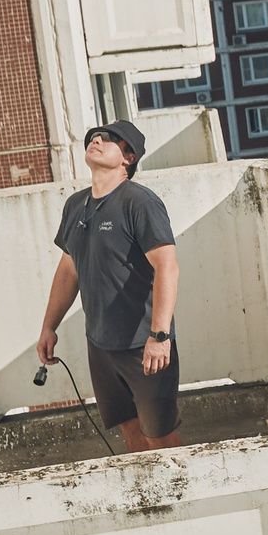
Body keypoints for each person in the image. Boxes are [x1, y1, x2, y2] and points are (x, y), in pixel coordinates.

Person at [37, 120, 182, 451]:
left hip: (142, 344)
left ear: (128, 157)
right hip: (100, 345)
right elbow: (68, 271)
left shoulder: (139, 203)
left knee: (160, 436)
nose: (97, 140)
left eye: (110, 139)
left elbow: (168, 268)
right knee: (130, 430)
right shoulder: (76, 205)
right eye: (93, 137)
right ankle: (148, 499)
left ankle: (191, 500)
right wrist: (49, 327)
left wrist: (159, 337)